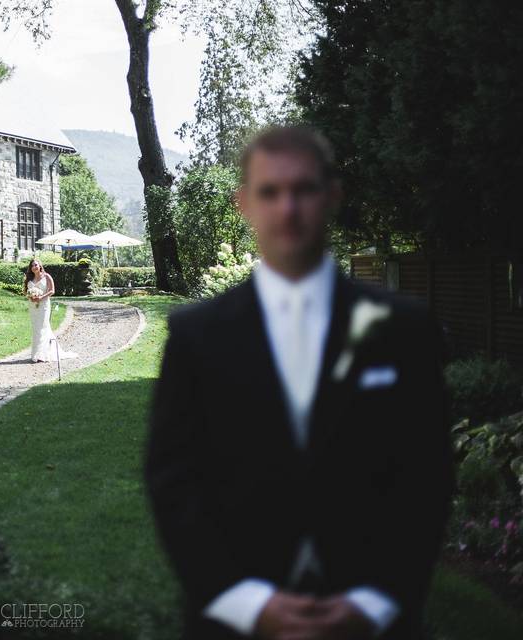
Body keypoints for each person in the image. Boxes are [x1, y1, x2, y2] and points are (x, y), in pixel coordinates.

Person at [145, 125, 454, 640]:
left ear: (332, 196)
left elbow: (427, 475)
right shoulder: (196, 335)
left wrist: (374, 602)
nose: (288, 208)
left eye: (304, 189)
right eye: (270, 192)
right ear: (244, 203)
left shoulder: (404, 328)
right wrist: (246, 602)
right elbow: (174, 480)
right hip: (234, 623)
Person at [24, 258, 76, 363]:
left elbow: (52, 290)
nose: (34, 267)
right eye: (32, 266)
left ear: (40, 266)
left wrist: (41, 297)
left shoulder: (46, 276)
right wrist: (31, 297)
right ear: (31, 268)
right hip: (33, 306)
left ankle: (43, 355)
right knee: (36, 329)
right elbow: (25, 291)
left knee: (43, 327)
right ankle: (37, 353)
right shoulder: (29, 279)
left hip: (44, 305)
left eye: (36, 265)